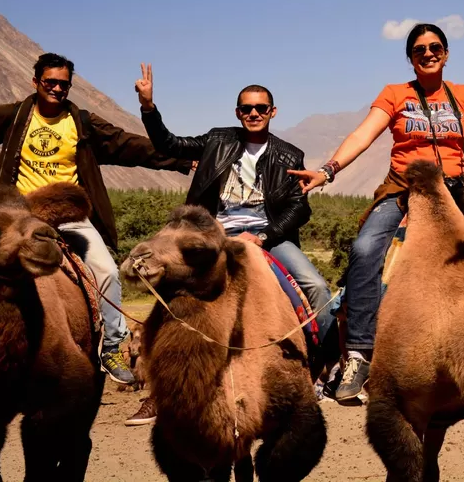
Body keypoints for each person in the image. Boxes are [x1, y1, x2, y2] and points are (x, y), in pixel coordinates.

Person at [289, 23, 464, 402]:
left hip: (454, 189)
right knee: (365, 249)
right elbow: (363, 134)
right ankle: (358, 353)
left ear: (447, 52)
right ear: (410, 58)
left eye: (435, 46)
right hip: (403, 189)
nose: (428, 53)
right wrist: (328, 170)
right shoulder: (395, 95)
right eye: (419, 49)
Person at [0, 53, 192, 385]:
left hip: (67, 212)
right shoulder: (15, 116)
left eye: (64, 84)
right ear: (36, 82)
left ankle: (115, 348)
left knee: (106, 271)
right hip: (18, 216)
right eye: (51, 82)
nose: (58, 89)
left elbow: (128, 145)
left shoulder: (82, 122)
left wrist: (180, 160)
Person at [136, 65, 335, 349]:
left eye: (261, 108)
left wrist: (262, 236)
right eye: (246, 109)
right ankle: (155, 355)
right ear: (237, 113)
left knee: (315, 287)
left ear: (272, 111)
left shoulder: (290, 155)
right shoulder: (218, 140)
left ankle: (324, 366)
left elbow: (299, 208)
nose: (254, 114)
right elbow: (170, 145)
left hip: (268, 233)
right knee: (162, 275)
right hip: (213, 230)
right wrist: (148, 106)